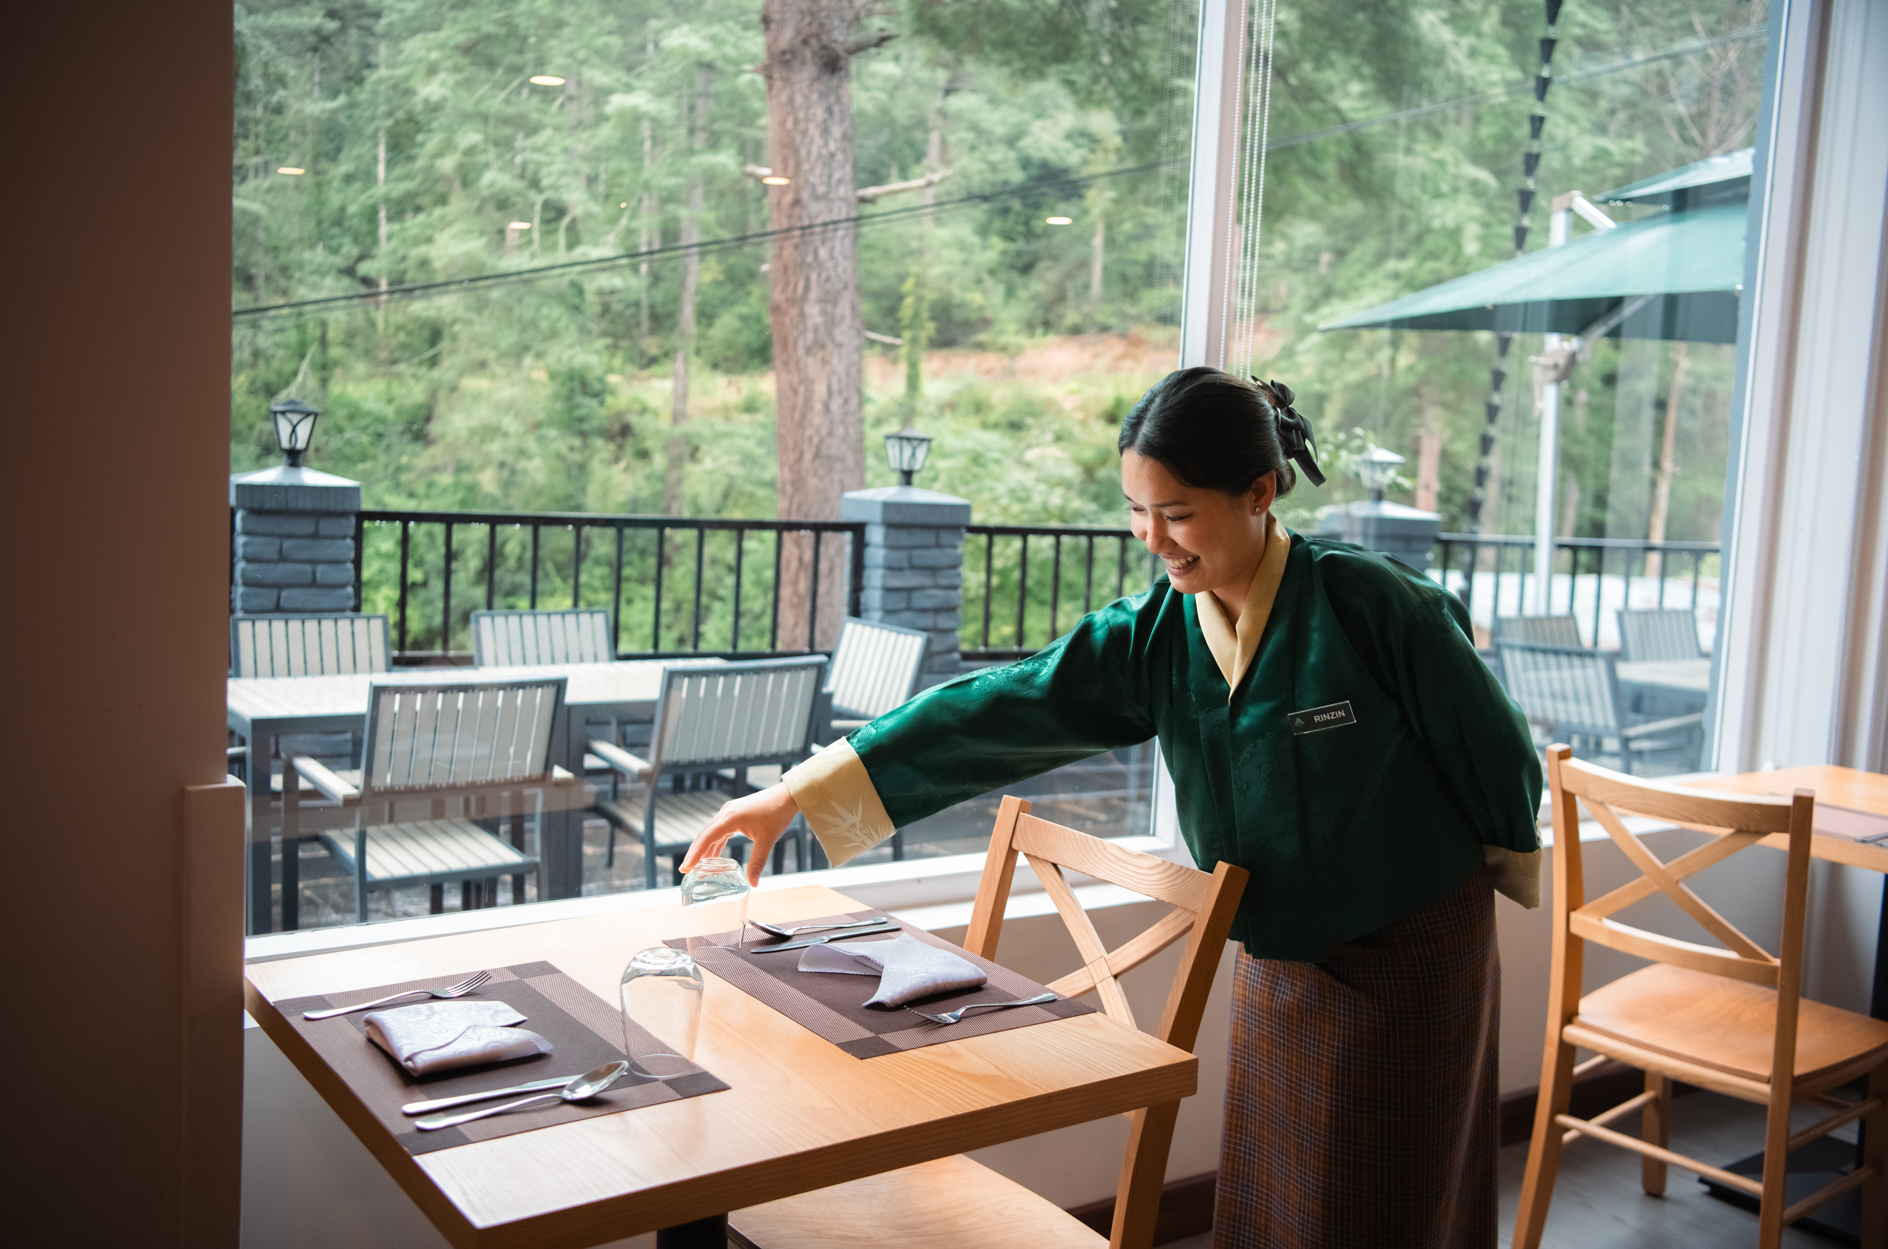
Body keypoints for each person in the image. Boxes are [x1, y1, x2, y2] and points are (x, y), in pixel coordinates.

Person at [682, 366, 1543, 1248]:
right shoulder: (1157, 637)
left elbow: (1494, 750)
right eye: (1138, 511)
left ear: (1259, 491)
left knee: (1396, 1200)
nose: (1154, 539)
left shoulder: (1371, 605)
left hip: (1412, 952)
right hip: (1279, 960)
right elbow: (1001, 707)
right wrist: (796, 795)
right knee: (1275, 1203)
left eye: (1177, 512)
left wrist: (1507, 860)